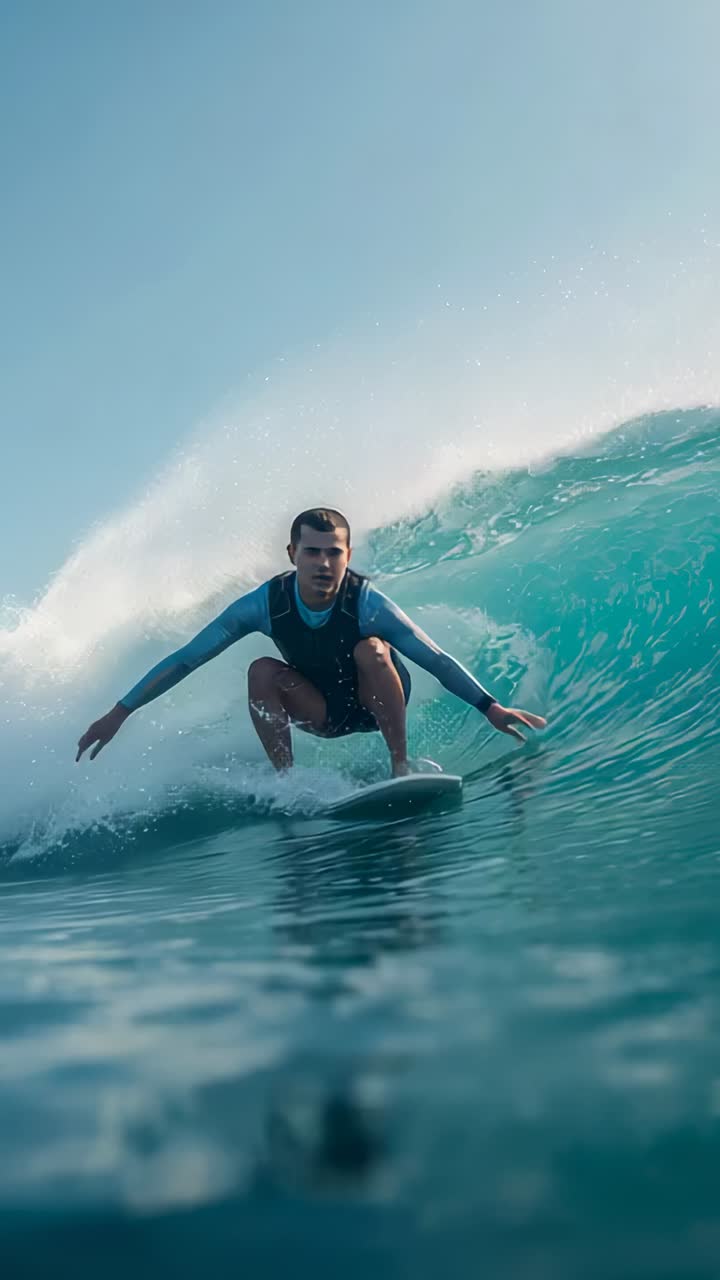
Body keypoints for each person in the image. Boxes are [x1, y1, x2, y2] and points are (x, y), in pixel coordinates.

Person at [76, 508, 546, 775]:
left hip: (374, 702)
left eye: (334, 552)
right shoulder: (262, 604)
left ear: (347, 556)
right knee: (260, 669)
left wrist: (490, 707)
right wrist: (122, 710)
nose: (323, 563)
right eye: (312, 552)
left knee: (373, 648)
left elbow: (435, 659)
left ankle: (398, 765)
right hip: (319, 710)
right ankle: (287, 782)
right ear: (292, 554)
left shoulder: (367, 603)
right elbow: (188, 659)